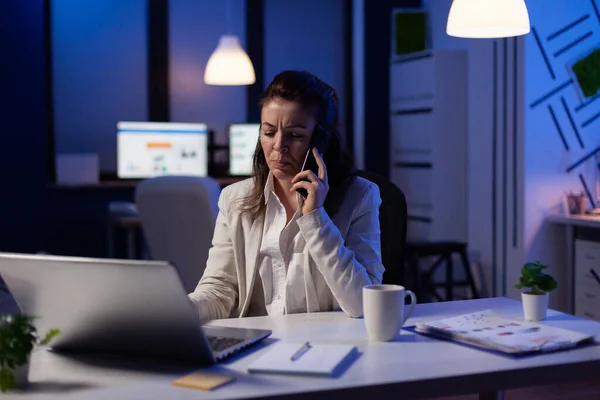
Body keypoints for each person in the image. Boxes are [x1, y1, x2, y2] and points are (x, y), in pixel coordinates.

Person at [188, 70, 384, 321]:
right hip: (256, 345)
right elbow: (218, 291)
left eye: (295, 135)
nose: (279, 146)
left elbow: (364, 304)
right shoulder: (234, 199)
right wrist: (180, 308)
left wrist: (316, 218)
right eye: (269, 132)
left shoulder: (360, 196)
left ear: (322, 141)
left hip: (326, 347)